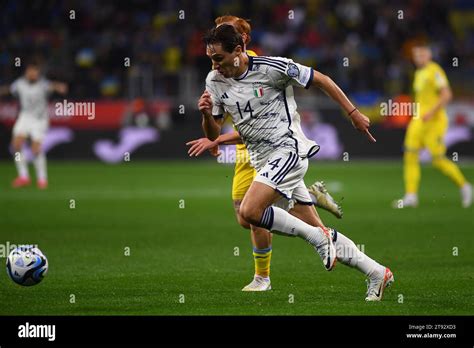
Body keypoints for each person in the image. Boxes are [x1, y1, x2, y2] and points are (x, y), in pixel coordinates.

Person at [187, 24, 393, 301]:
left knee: (249, 212)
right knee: (312, 226)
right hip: (262, 161)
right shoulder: (214, 81)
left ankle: (315, 241)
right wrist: (205, 116)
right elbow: (212, 132)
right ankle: (376, 272)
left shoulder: (273, 68)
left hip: (288, 152)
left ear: (238, 50)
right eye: (210, 59)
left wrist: (353, 113)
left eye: (219, 58)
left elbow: (322, 80)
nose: (214, 65)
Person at [199, 16, 342, 292]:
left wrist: (220, 140)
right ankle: (312, 208)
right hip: (248, 154)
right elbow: (219, 126)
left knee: (255, 212)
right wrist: (210, 124)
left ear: (241, 42)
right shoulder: (219, 70)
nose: (215, 61)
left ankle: (263, 277)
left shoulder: (258, 67)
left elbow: (260, 122)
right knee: (246, 217)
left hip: (274, 149)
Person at [394, 43, 472, 208]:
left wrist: (431, 112)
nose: (418, 58)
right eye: (416, 56)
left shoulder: (434, 70)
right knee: (410, 156)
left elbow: (447, 95)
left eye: (422, 55)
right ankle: (411, 195)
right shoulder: (419, 73)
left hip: (434, 122)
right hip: (418, 121)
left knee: (437, 160)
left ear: (429, 55)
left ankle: (464, 186)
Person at [0, 62, 68, 189]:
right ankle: (23, 176)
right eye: (30, 71)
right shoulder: (19, 84)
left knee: (35, 149)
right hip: (24, 117)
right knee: (16, 146)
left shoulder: (43, 84)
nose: (32, 74)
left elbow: (54, 86)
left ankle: (42, 178)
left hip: (39, 120)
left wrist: (60, 87)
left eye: (35, 72)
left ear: (38, 73)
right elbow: (9, 89)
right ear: (26, 72)